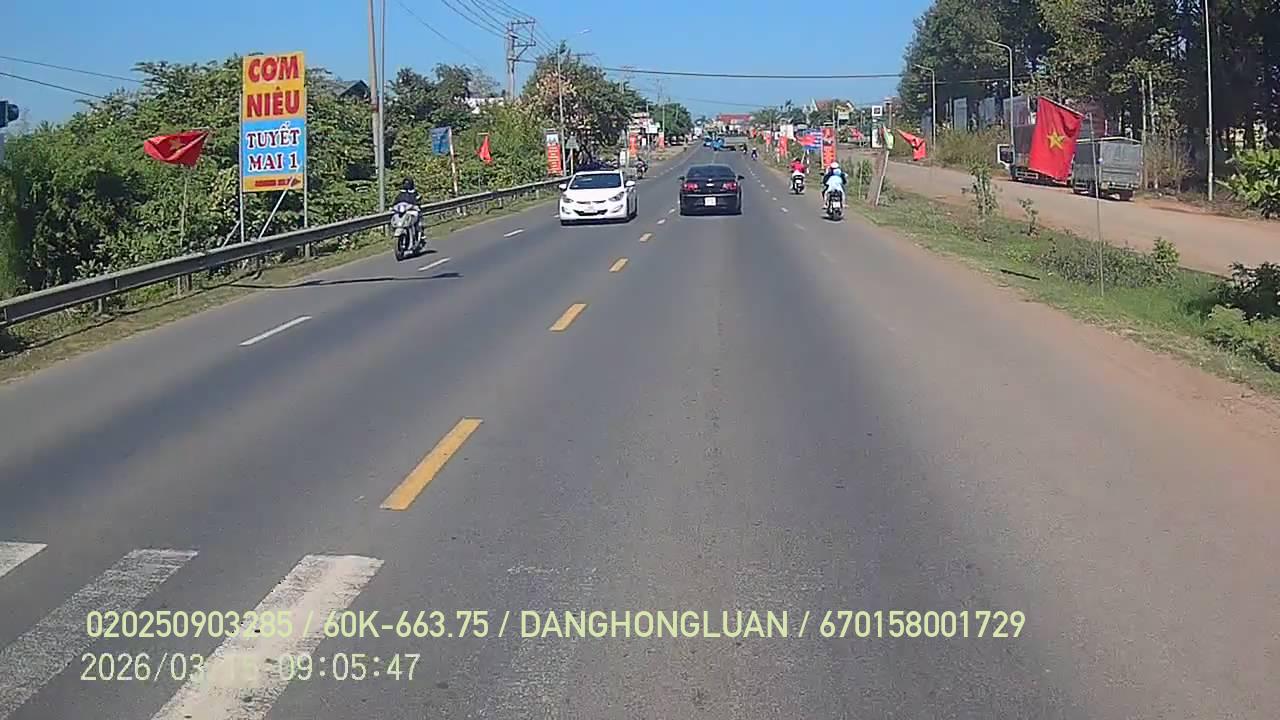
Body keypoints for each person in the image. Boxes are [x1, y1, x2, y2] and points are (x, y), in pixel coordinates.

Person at [393, 177, 427, 250]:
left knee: (417, 221)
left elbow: (417, 199)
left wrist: (416, 205)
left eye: (408, 183)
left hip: (412, 211)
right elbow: (396, 201)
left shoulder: (414, 192)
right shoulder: (401, 193)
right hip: (404, 212)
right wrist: (393, 206)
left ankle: (419, 236)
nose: (406, 185)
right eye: (405, 183)